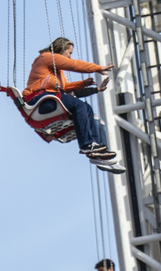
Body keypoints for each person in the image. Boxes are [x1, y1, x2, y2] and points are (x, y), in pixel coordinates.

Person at [24, 38, 123, 173]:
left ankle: (96, 149)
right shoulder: (46, 58)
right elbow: (74, 65)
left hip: (52, 99)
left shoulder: (56, 71)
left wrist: (86, 85)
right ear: (60, 49)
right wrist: (98, 68)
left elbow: (66, 87)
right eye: (69, 53)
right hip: (40, 100)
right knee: (80, 107)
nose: (70, 56)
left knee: (86, 108)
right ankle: (87, 144)